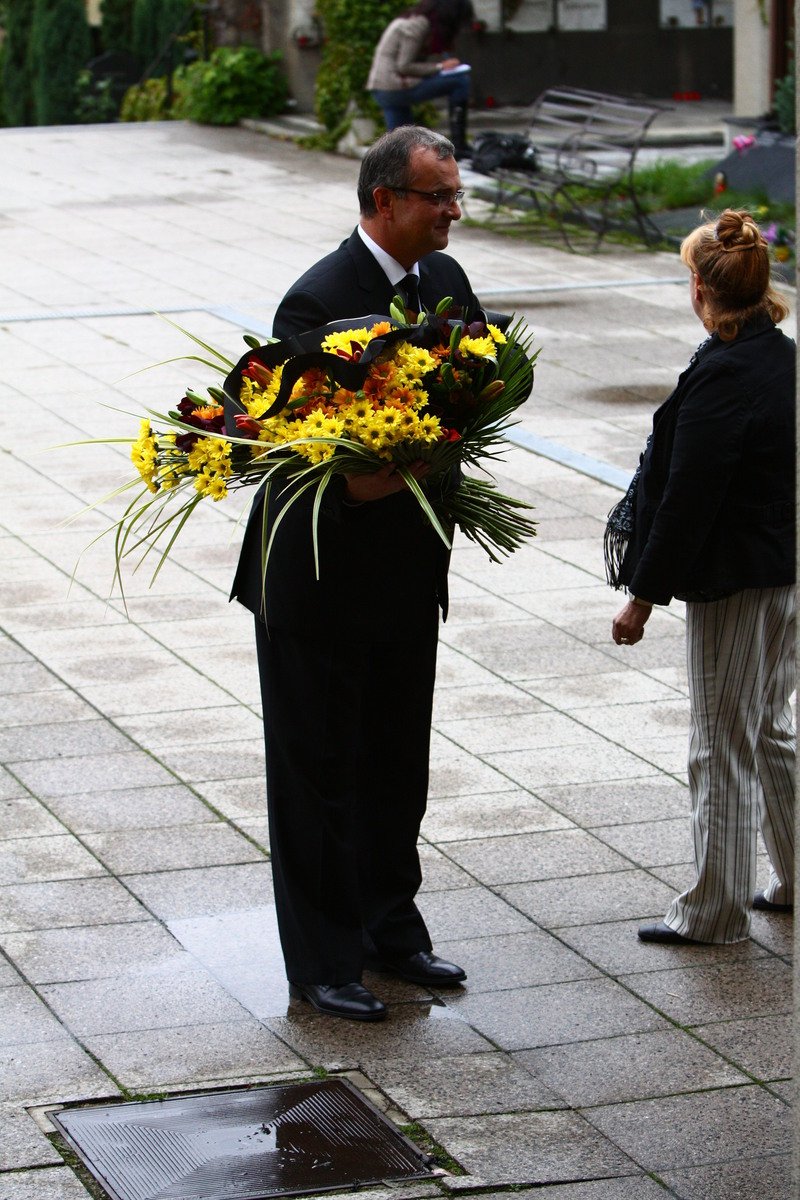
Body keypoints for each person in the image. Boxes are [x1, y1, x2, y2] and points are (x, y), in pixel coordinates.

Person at [231, 127, 488, 1021]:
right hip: (317, 577)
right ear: (385, 202)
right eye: (439, 197)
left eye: (456, 194)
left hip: (408, 572)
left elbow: (476, 392)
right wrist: (405, 464)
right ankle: (323, 960)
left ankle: (391, 929)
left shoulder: (447, 286)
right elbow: (313, 461)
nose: (455, 210)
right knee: (317, 771)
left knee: (394, 763)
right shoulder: (318, 299)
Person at [608, 209, 795, 946]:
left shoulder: (723, 374)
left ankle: (714, 911)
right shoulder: (782, 357)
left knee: (719, 740)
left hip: (738, 581)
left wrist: (642, 598)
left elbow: (688, 499)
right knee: (769, 728)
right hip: (784, 572)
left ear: (699, 286)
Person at [366, 0, 475, 158]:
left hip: (383, 88)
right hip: (394, 86)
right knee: (460, 81)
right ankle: (460, 145)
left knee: (402, 147)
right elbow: (404, 66)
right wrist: (440, 67)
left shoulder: (413, 20)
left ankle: (395, 175)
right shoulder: (418, 25)